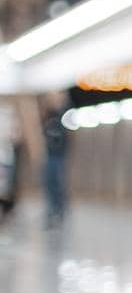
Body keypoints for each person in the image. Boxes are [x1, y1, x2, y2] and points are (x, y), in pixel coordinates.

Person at [40, 92, 70, 228]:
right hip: (49, 155)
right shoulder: (46, 117)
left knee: (57, 183)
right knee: (49, 183)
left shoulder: (62, 117)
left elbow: (66, 139)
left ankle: (59, 209)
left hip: (57, 156)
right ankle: (52, 209)